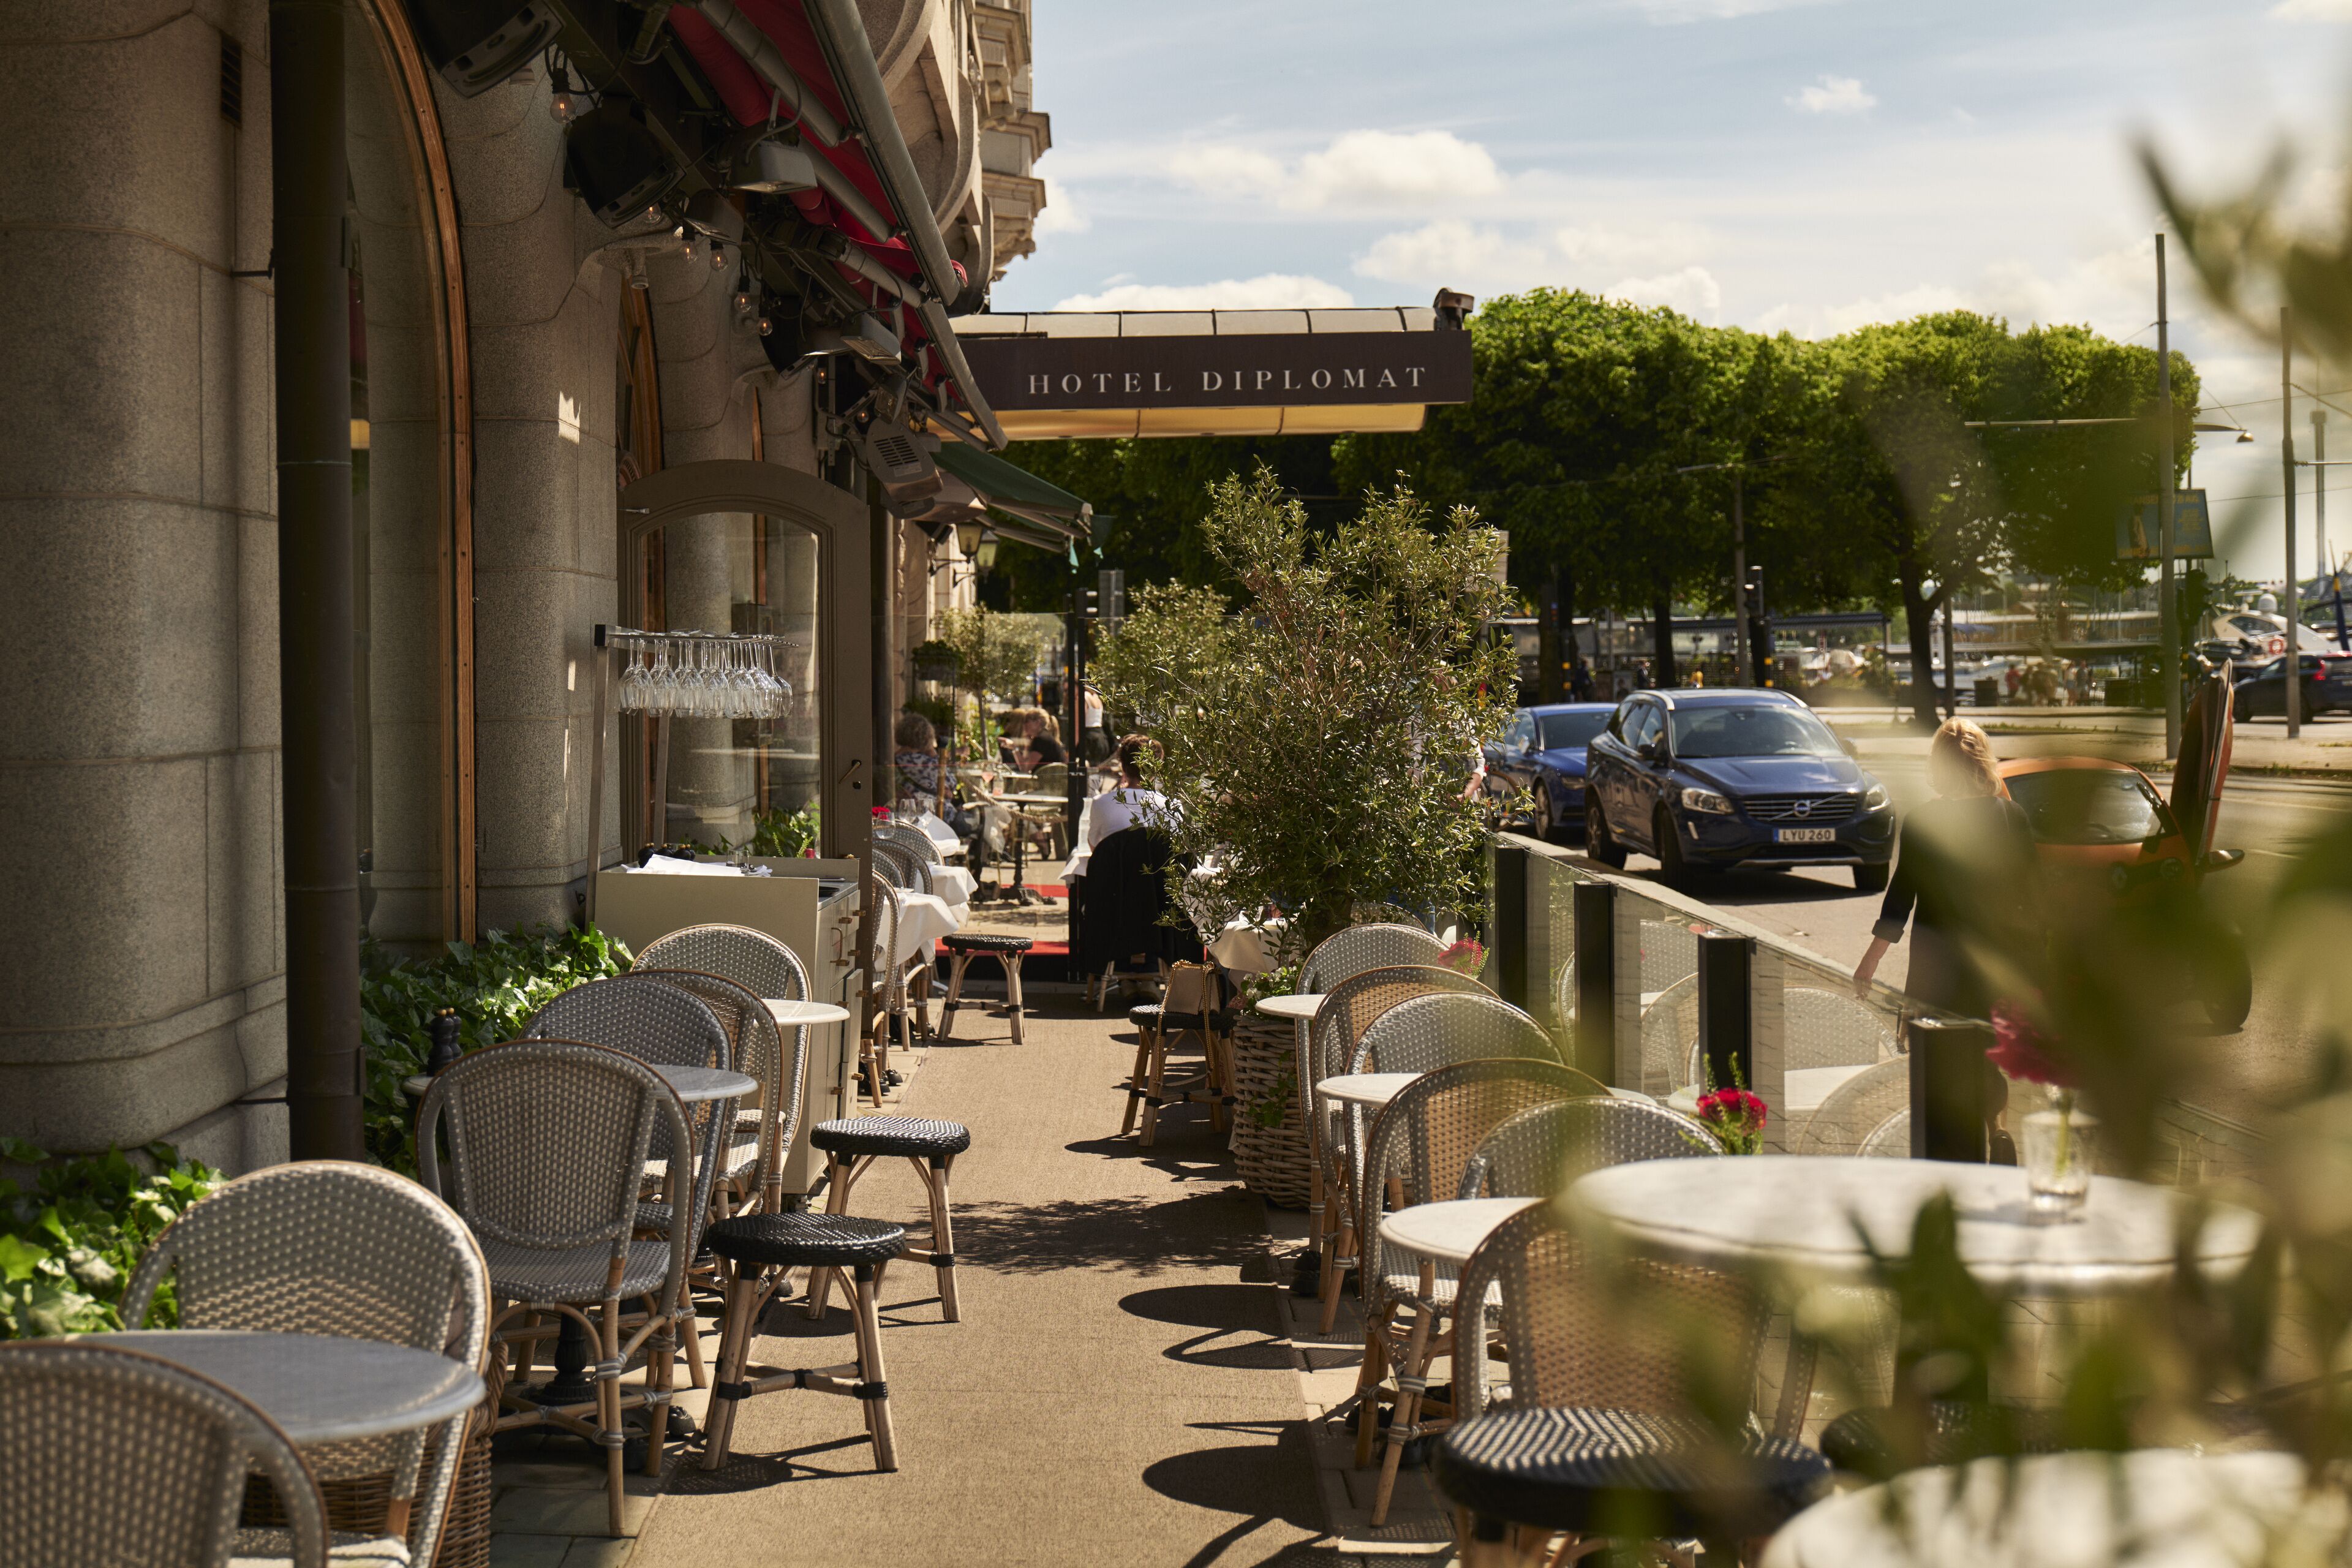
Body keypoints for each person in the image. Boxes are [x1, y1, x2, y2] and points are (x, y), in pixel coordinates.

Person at [1852, 717, 2042, 1016]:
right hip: (1996, 969)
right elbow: (2032, 898)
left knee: (1934, 1055)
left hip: (1935, 970)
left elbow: (1900, 900)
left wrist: (1871, 961)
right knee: (1989, 1055)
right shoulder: (2012, 817)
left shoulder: (1923, 822)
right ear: (1983, 761)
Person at [1087, 734, 1172, 847]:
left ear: (1122, 765)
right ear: (1156, 767)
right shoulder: (1171, 807)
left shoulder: (1101, 804)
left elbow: (1096, 849)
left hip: (1116, 865)